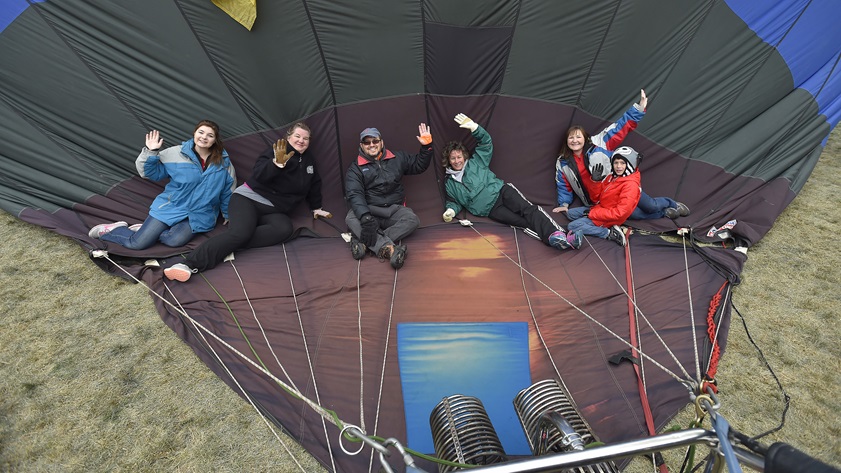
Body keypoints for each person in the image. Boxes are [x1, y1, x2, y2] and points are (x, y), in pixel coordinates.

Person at [164, 122, 331, 282]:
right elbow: (259, 174)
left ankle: (228, 246)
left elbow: (314, 184)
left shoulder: (309, 160)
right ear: (288, 137)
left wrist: (316, 207)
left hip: (274, 209)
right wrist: (277, 164)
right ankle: (188, 264)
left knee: (284, 229)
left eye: (305, 138)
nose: (301, 140)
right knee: (240, 234)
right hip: (248, 199)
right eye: (297, 136)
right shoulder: (276, 151)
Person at [88, 120, 236, 250]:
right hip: (172, 207)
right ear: (194, 133)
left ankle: (143, 230)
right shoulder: (175, 153)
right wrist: (151, 152)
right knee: (137, 244)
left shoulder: (223, 162)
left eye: (210, 135)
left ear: (215, 140)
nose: (204, 137)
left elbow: (227, 190)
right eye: (201, 132)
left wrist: (228, 213)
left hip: (200, 213)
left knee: (174, 241)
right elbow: (149, 173)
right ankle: (114, 230)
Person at [442, 113, 580, 250]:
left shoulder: (476, 161)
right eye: (452, 158)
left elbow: (486, 142)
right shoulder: (449, 183)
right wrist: (450, 211)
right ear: (448, 161)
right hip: (491, 210)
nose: (457, 161)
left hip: (502, 191)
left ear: (464, 156)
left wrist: (474, 127)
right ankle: (554, 239)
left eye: (459, 157)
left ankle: (564, 235)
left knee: (529, 210)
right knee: (521, 223)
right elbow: (454, 202)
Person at [553, 89, 689, 219]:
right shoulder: (563, 162)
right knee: (633, 214)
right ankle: (665, 213)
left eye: (578, 137)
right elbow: (564, 186)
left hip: (621, 185)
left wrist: (639, 109)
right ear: (567, 141)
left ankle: (672, 204)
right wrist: (564, 205)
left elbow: (620, 127)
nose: (575, 141)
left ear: (585, 138)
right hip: (600, 200)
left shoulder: (600, 143)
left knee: (650, 206)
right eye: (571, 138)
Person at [345, 124, 433, 269]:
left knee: (413, 220)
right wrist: (366, 218)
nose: (371, 145)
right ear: (361, 145)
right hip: (370, 211)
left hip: (393, 209)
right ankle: (390, 249)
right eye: (367, 142)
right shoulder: (355, 168)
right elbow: (355, 194)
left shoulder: (398, 157)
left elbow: (418, 165)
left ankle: (366, 243)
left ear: (381, 142)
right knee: (350, 218)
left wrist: (426, 147)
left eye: (375, 141)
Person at [566, 146, 642, 247]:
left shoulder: (631, 185)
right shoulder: (612, 177)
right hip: (600, 209)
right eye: (616, 162)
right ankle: (590, 220)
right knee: (570, 214)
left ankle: (609, 233)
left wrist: (592, 214)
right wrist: (595, 182)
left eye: (623, 163)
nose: (618, 166)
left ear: (630, 164)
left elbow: (620, 214)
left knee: (572, 226)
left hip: (609, 218)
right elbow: (596, 199)